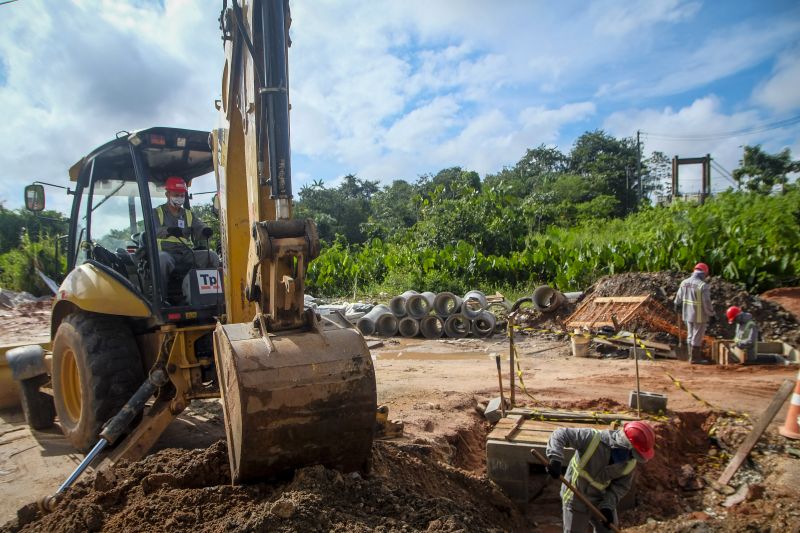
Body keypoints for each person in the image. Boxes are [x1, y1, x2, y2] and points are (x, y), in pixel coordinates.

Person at [545, 421, 655, 533]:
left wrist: (608, 505)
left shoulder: (630, 464)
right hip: (575, 495)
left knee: (609, 529)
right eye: (632, 454)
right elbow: (560, 434)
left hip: (600, 499)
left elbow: (620, 487)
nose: (630, 458)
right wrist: (555, 458)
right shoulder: (592, 438)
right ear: (624, 444)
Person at [153, 176, 219, 299]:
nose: (179, 198)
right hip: (166, 252)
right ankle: (161, 296)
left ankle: (210, 296)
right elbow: (152, 230)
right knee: (162, 260)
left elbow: (198, 225)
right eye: (176, 195)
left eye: (182, 195)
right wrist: (168, 230)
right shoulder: (157, 213)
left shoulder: (188, 214)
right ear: (167, 194)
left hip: (186, 253)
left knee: (212, 257)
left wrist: (205, 230)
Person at [674, 263, 713, 364]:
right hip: (699, 315)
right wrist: (711, 314)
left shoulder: (684, 282)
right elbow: (706, 303)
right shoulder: (702, 286)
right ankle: (695, 358)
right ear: (704, 273)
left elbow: (678, 298)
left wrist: (676, 304)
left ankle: (690, 356)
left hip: (687, 314)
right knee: (697, 336)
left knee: (690, 335)